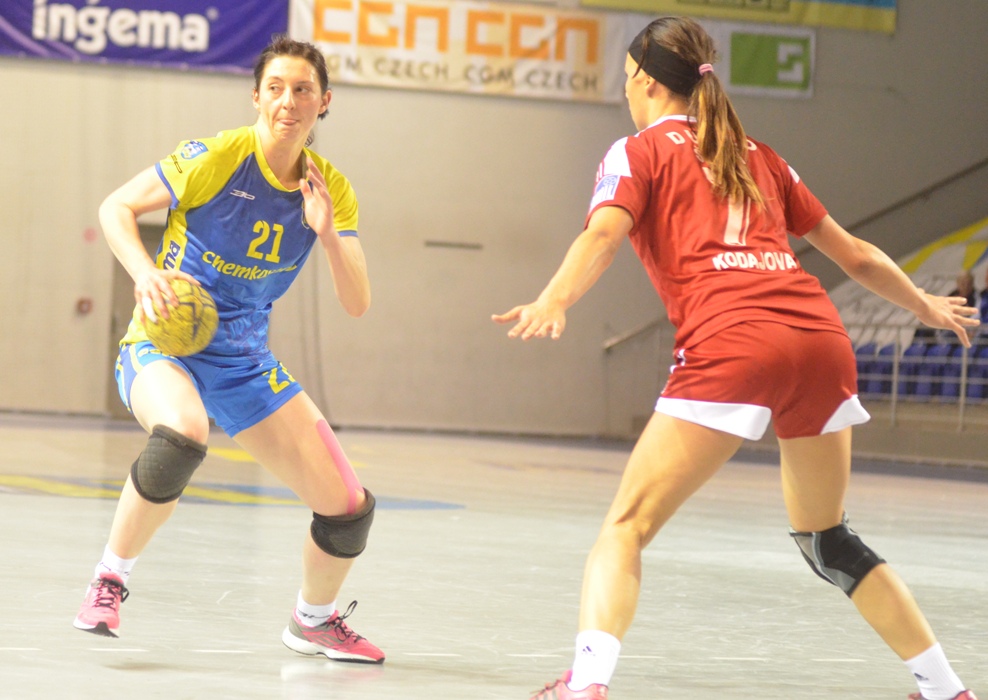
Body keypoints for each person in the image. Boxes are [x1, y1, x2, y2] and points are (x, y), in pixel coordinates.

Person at [493, 17, 979, 700]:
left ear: (642, 80)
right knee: (828, 539)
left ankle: (588, 684)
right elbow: (856, 256)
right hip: (819, 340)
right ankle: (945, 688)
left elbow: (603, 234)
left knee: (626, 527)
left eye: (626, 78)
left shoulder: (636, 151)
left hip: (733, 342)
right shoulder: (759, 155)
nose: (625, 89)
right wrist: (922, 304)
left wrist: (554, 298)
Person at [73, 35, 384, 664]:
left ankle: (313, 621)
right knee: (183, 434)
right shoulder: (218, 157)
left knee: (348, 509)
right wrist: (145, 273)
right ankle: (109, 579)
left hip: (244, 362)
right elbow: (116, 207)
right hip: (164, 343)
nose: (288, 101)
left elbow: (358, 302)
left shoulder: (330, 189)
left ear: (324, 102)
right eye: (276, 88)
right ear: (257, 97)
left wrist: (328, 235)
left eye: (303, 90)